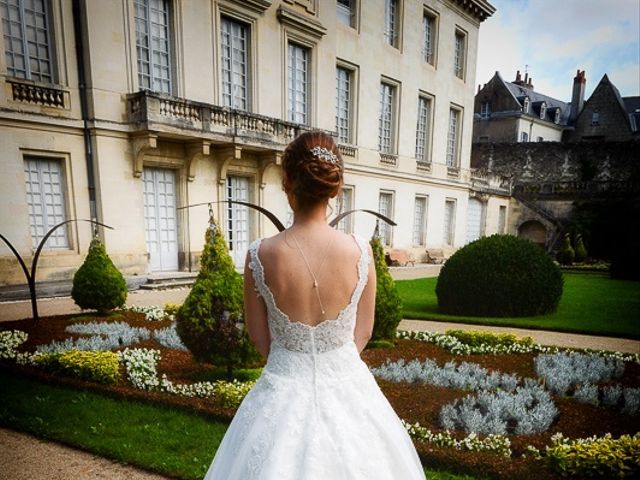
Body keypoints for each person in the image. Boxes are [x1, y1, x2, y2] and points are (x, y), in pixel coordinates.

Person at [204, 131, 425, 479]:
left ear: (287, 182)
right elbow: (363, 332)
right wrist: (332, 362)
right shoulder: (361, 251)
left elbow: (261, 341)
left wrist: (294, 362)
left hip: (280, 391)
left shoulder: (258, 255)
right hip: (351, 388)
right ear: (334, 187)